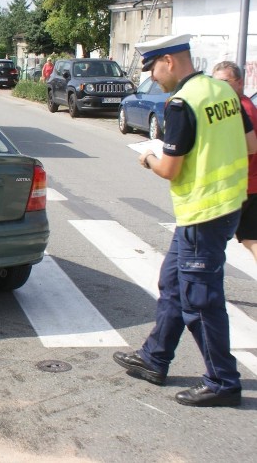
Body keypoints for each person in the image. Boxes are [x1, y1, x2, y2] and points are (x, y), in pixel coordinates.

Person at [113, 33, 257, 407]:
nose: (154, 77)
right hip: (228, 205)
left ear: (171, 62)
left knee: (200, 299)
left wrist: (147, 157)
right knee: (173, 281)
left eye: (154, 68)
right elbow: (252, 143)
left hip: (202, 212)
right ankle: (154, 357)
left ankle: (223, 381)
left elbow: (171, 169)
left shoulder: (181, 104)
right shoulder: (223, 91)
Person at [213, 60, 257, 263]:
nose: (219, 88)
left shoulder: (241, 110)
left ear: (239, 83)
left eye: (224, 82)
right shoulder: (242, 105)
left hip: (242, 187)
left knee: (210, 240)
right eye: (215, 83)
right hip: (248, 185)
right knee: (250, 238)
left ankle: (203, 287)